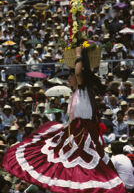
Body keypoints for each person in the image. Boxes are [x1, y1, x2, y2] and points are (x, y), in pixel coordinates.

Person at [3, 48, 126, 193]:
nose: (68, 78)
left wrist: (80, 55)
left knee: (78, 171)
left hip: (82, 135)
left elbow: (80, 72)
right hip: (72, 132)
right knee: (60, 167)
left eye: (71, 75)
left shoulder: (83, 91)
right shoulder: (75, 92)